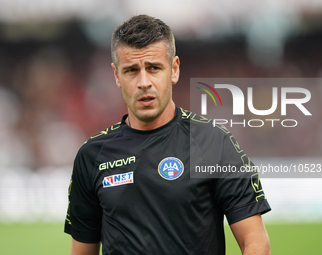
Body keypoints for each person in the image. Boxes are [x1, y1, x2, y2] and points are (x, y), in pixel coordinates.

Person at [64, 14, 271, 255]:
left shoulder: (214, 142)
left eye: (153, 68)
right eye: (131, 70)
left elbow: (255, 242)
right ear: (116, 76)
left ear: (174, 69)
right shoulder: (91, 156)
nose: (144, 82)